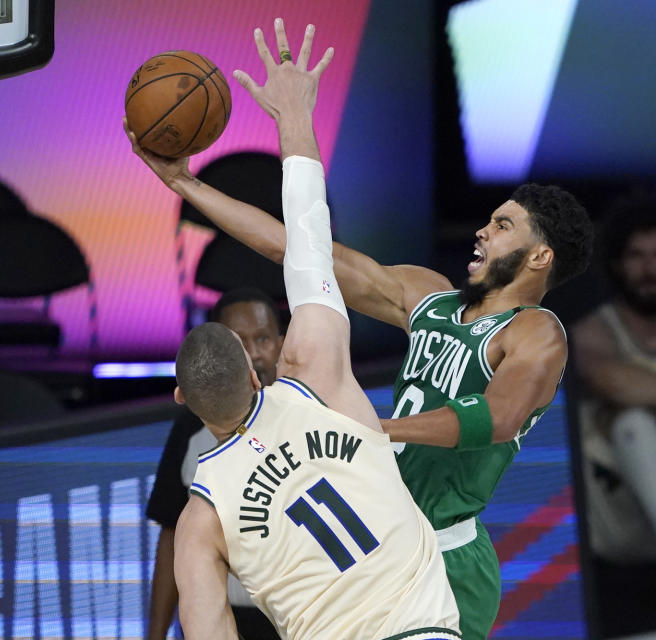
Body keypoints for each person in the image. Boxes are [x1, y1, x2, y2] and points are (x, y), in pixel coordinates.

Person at [124, 24, 595, 640]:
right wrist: (184, 184)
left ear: (540, 258)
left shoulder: (538, 332)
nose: (482, 231)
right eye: (488, 220)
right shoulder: (428, 296)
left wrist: (379, 431)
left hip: (445, 551)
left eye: (503, 226)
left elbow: (495, 419)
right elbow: (297, 248)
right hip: (379, 526)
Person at [144, 19, 461, 640]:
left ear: (181, 399)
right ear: (251, 356)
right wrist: (293, 113)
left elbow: (209, 630)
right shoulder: (318, 379)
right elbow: (307, 235)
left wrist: (180, 182)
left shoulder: (200, 517)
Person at [147, 287, 284, 640]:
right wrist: (155, 633)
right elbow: (171, 534)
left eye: (264, 338)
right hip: (224, 618)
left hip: (305, 619)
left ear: (282, 343)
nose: (253, 354)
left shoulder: (310, 415)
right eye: (239, 343)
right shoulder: (189, 429)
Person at [571, 198, 656, 637]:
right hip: (616, 546)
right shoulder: (594, 332)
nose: (648, 269)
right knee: (631, 424)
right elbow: (616, 382)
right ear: (618, 264)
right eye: (637, 256)